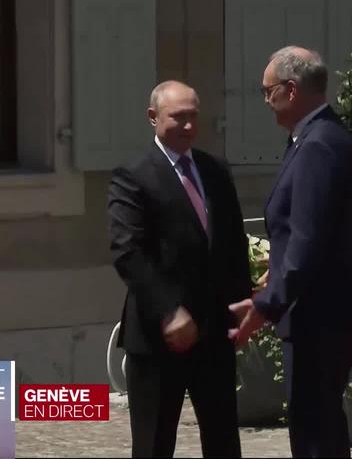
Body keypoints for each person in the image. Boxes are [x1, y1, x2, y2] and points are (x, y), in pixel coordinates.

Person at [229, 47, 352, 457]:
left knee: (314, 429)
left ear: (290, 91)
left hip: (321, 311)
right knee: (319, 422)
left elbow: (308, 239)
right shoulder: (317, 137)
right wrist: (274, 274)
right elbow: (308, 233)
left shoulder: (318, 146)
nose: (265, 100)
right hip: (323, 306)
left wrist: (267, 304)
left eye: (267, 90)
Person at [108, 80, 251, 458]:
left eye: (194, 117)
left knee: (223, 442)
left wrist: (245, 306)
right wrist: (169, 311)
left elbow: (232, 245)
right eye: (178, 117)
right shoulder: (134, 174)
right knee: (155, 444)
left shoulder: (215, 169)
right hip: (159, 337)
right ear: (153, 118)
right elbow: (128, 252)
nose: (188, 126)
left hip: (215, 333)